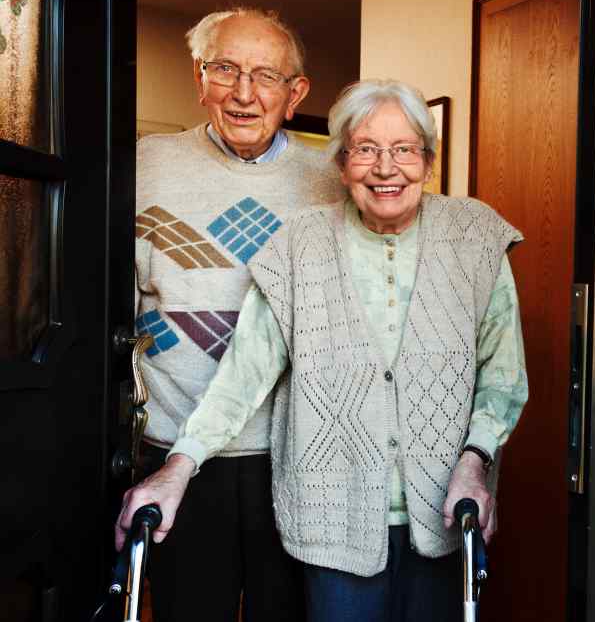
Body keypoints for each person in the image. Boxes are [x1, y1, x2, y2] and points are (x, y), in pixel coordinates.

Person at [120, 79, 528, 622]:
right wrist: (178, 465)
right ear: (341, 166)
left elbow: (502, 376)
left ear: (427, 162)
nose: (386, 168)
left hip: (449, 515)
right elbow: (245, 373)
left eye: (404, 149)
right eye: (365, 149)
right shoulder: (299, 245)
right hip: (332, 521)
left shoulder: (474, 236)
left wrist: (475, 461)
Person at [130, 6, 345, 622]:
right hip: (176, 448)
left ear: (296, 91)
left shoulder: (332, 177)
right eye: (225, 69)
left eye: (266, 76)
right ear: (199, 78)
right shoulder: (142, 165)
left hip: (296, 452)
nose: (244, 93)